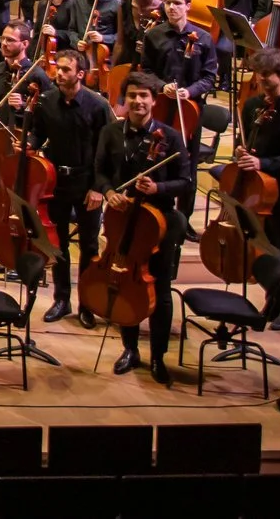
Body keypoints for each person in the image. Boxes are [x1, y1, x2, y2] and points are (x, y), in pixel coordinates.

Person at [94, 76, 188, 384]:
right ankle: (130, 349)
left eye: (144, 96)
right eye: (132, 95)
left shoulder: (171, 138)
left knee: (159, 291)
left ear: (154, 100)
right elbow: (101, 172)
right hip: (122, 218)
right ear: (125, 99)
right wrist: (108, 192)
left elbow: (186, 182)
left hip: (159, 223)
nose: (138, 101)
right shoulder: (110, 132)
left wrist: (158, 186)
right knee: (125, 281)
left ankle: (158, 357)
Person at [28, 51, 108, 325]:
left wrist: (98, 188)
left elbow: (106, 150)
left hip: (87, 184)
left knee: (88, 244)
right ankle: (61, 298)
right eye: (57, 69)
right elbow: (39, 132)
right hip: (55, 183)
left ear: (80, 74)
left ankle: (87, 303)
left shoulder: (97, 106)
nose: (58, 74)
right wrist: (30, 143)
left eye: (65, 70)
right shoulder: (47, 101)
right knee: (57, 242)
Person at [231, 49, 280, 327]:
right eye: (258, 74)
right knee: (266, 247)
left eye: (267, 75)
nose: (261, 80)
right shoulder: (252, 106)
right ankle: (273, 299)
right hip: (257, 191)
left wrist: (262, 162)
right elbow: (247, 143)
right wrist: (241, 151)